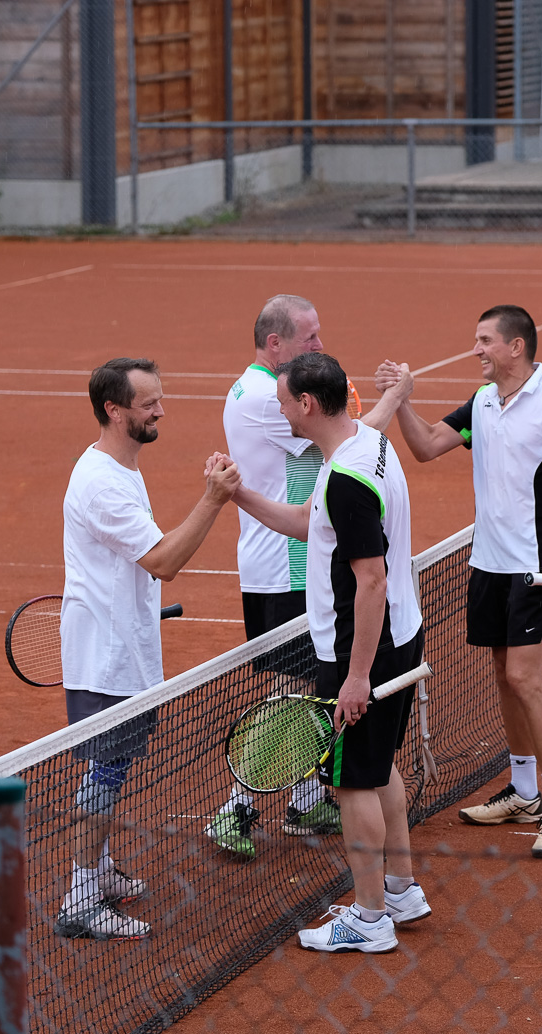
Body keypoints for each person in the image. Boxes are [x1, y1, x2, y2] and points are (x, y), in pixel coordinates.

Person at [368, 305, 542, 858]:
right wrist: (401, 400)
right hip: (489, 563)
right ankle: (523, 791)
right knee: (503, 672)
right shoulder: (483, 403)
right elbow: (425, 446)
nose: (476, 350)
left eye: (484, 341)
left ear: (515, 347)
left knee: (525, 677)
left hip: (537, 566)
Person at [228, 351, 429, 953]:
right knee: (379, 767)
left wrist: (356, 676)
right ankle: (401, 888)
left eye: (284, 401)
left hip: (359, 648)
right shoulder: (364, 446)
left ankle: (369, 919)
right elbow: (309, 522)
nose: (280, 410)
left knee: (351, 785)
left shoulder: (346, 478)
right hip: (397, 634)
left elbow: (370, 578)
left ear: (307, 405)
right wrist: (240, 496)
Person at [55, 357, 241, 940]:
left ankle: (98, 869)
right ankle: (81, 898)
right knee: (104, 773)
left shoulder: (119, 467)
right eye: (148, 404)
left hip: (124, 649)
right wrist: (213, 499)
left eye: (160, 399)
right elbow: (163, 561)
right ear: (114, 410)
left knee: (110, 766)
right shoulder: (102, 484)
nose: (160, 410)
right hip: (105, 659)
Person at [206, 294, 343, 860]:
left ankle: (306, 799)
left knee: (307, 692)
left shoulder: (257, 387)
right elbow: (345, 433)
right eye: (309, 337)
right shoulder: (269, 399)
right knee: (289, 697)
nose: (319, 344)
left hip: (286, 565)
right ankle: (235, 809)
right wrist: (394, 402)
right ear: (275, 344)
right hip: (285, 568)